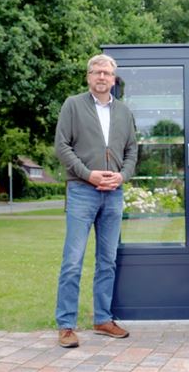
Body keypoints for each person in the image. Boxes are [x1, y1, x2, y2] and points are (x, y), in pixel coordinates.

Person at [54, 54, 138, 347]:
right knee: (73, 260)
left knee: (108, 260)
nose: (102, 77)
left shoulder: (125, 113)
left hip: (113, 194)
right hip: (82, 191)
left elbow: (132, 152)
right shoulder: (73, 105)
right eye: (96, 72)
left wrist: (122, 176)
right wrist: (88, 174)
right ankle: (66, 325)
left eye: (107, 73)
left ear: (114, 79)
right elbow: (62, 145)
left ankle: (103, 319)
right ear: (88, 77)